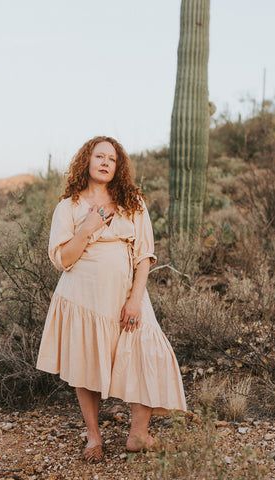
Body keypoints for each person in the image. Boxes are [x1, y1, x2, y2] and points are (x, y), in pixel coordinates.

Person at [36, 136, 186, 463]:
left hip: (126, 295)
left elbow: (144, 256)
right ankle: (93, 437)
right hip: (83, 296)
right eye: (99, 156)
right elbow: (63, 260)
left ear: (118, 167)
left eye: (112, 159)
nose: (105, 162)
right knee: (86, 365)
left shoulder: (132, 202)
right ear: (86, 162)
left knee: (148, 352)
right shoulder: (69, 206)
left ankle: (139, 435)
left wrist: (135, 299)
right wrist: (87, 228)